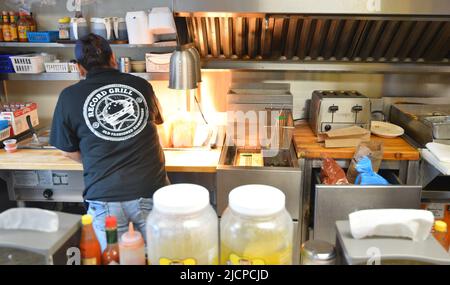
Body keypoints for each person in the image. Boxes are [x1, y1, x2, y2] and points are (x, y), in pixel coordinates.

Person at [50, 34, 169, 250]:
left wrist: (98, 158)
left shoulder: (69, 96)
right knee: (158, 256)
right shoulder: (141, 85)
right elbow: (157, 122)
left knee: (116, 260)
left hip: (104, 198)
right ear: (113, 57)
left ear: (79, 67)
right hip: (149, 191)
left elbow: (67, 150)